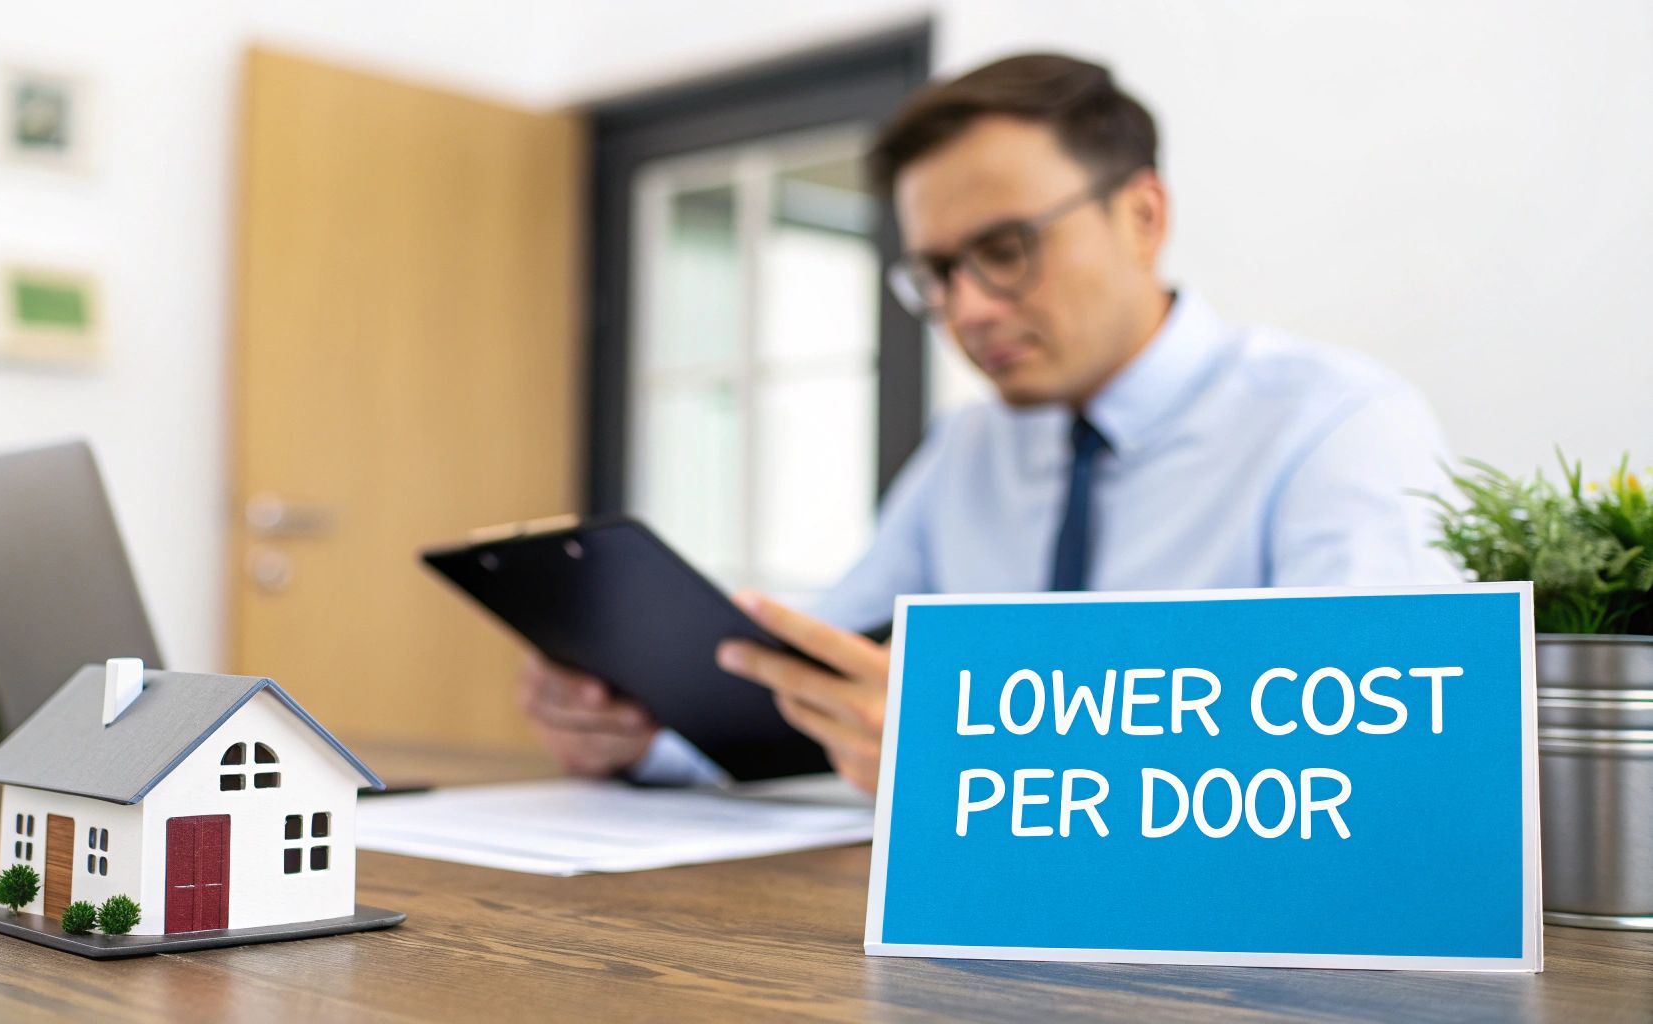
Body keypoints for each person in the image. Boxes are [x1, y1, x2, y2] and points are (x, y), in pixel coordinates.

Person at [517, 53, 1458, 794]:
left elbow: (1373, 775)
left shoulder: (1338, 427)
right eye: (938, 273)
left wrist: (972, 763)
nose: (967, 312)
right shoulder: (969, 449)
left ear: (1143, 214)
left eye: (1004, 251)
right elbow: (815, 672)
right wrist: (643, 730)